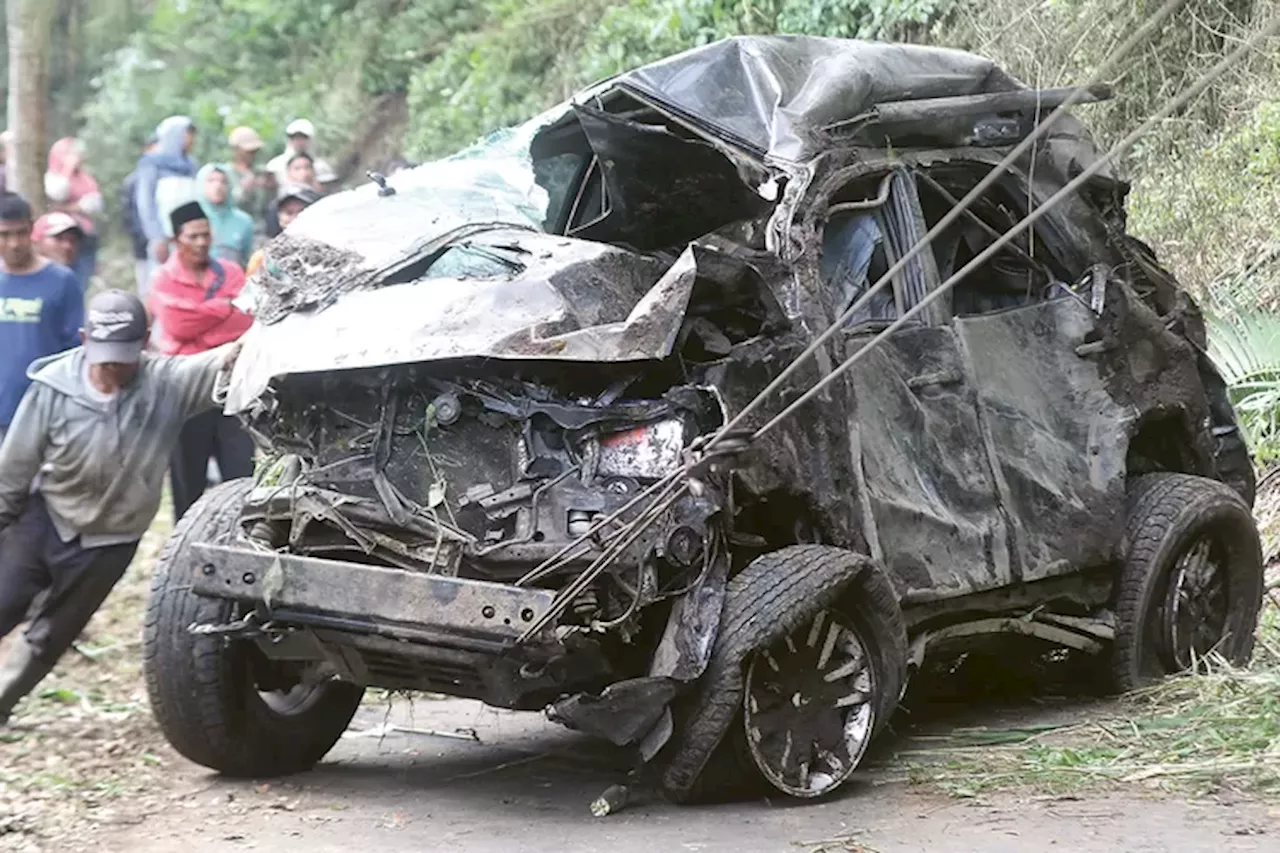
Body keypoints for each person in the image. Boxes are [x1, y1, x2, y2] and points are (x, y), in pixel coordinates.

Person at [0, 290, 240, 725]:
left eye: (124, 358)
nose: (113, 369)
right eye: (104, 357)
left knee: (48, 636)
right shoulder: (53, 387)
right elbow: (12, 470)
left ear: (145, 342)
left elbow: (227, 360)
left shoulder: (167, 383)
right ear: (83, 338)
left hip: (110, 541)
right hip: (46, 518)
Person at [148, 201, 254, 521]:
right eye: (193, 236)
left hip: (231, 385)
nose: (201, 242)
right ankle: (186, 547)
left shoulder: (231, 272)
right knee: (186, 479)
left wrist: (197, 325)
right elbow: (176, 323)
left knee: (239, 475)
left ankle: (240, 540)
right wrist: (223, 310)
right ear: (176, 239)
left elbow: (246, 322)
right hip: (185, 389)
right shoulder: (163, 279)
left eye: (206, 235)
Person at [0, 195, 83, 447]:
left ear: (32, 229)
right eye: (4, 235)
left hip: (43, 413)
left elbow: (75, 351)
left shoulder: (62, 281)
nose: (14, 244)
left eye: (21, 233)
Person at [134, 116, 198, 299]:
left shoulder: (191, 165)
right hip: (164, 237)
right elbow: (145, 203)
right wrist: (156, 237)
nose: (191, 140)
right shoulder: (151, 164)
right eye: (187, 135)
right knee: (160, 289)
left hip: (187, 237)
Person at [43, 138, 103, 287]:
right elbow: (58, 194)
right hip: (61, 238)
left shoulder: (85, 177)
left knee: (82, 281)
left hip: (85, 235)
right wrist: (67, 169)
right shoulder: (52, 176)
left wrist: (66, 207)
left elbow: (95, 204)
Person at [121, 135, 159, 296]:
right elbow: (129, 214)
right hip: (142, 244)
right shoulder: (133, 180)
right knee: (145, 287)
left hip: (161, 243)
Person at [196, 164, 254, 266]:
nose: (217, 186)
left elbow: (246, 260)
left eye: (223, 182)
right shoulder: (191, 219)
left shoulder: (243, 221)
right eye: (211, 180)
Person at [266, 119, 333, 187]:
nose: (299, 142)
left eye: (303, 138)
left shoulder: (322, 168)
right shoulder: (274, 166)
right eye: (295, 138)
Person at [224, 126, 271, 219]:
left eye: (255, 151)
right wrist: (244, 189)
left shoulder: (261, 172)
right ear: (236, 150)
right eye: (249, 151)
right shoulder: (225, 173)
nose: (253, 154)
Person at [260, 182, 320, 250]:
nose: (295, 218)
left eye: (301, 211)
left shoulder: (328, 249)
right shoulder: (265, 253)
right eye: (289, 212)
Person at [31, 213, 84, 282]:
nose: (67, 246)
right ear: (36, 241)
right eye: (59, 238)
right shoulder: (17, 278)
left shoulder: (72, 283)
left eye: (72, 240)